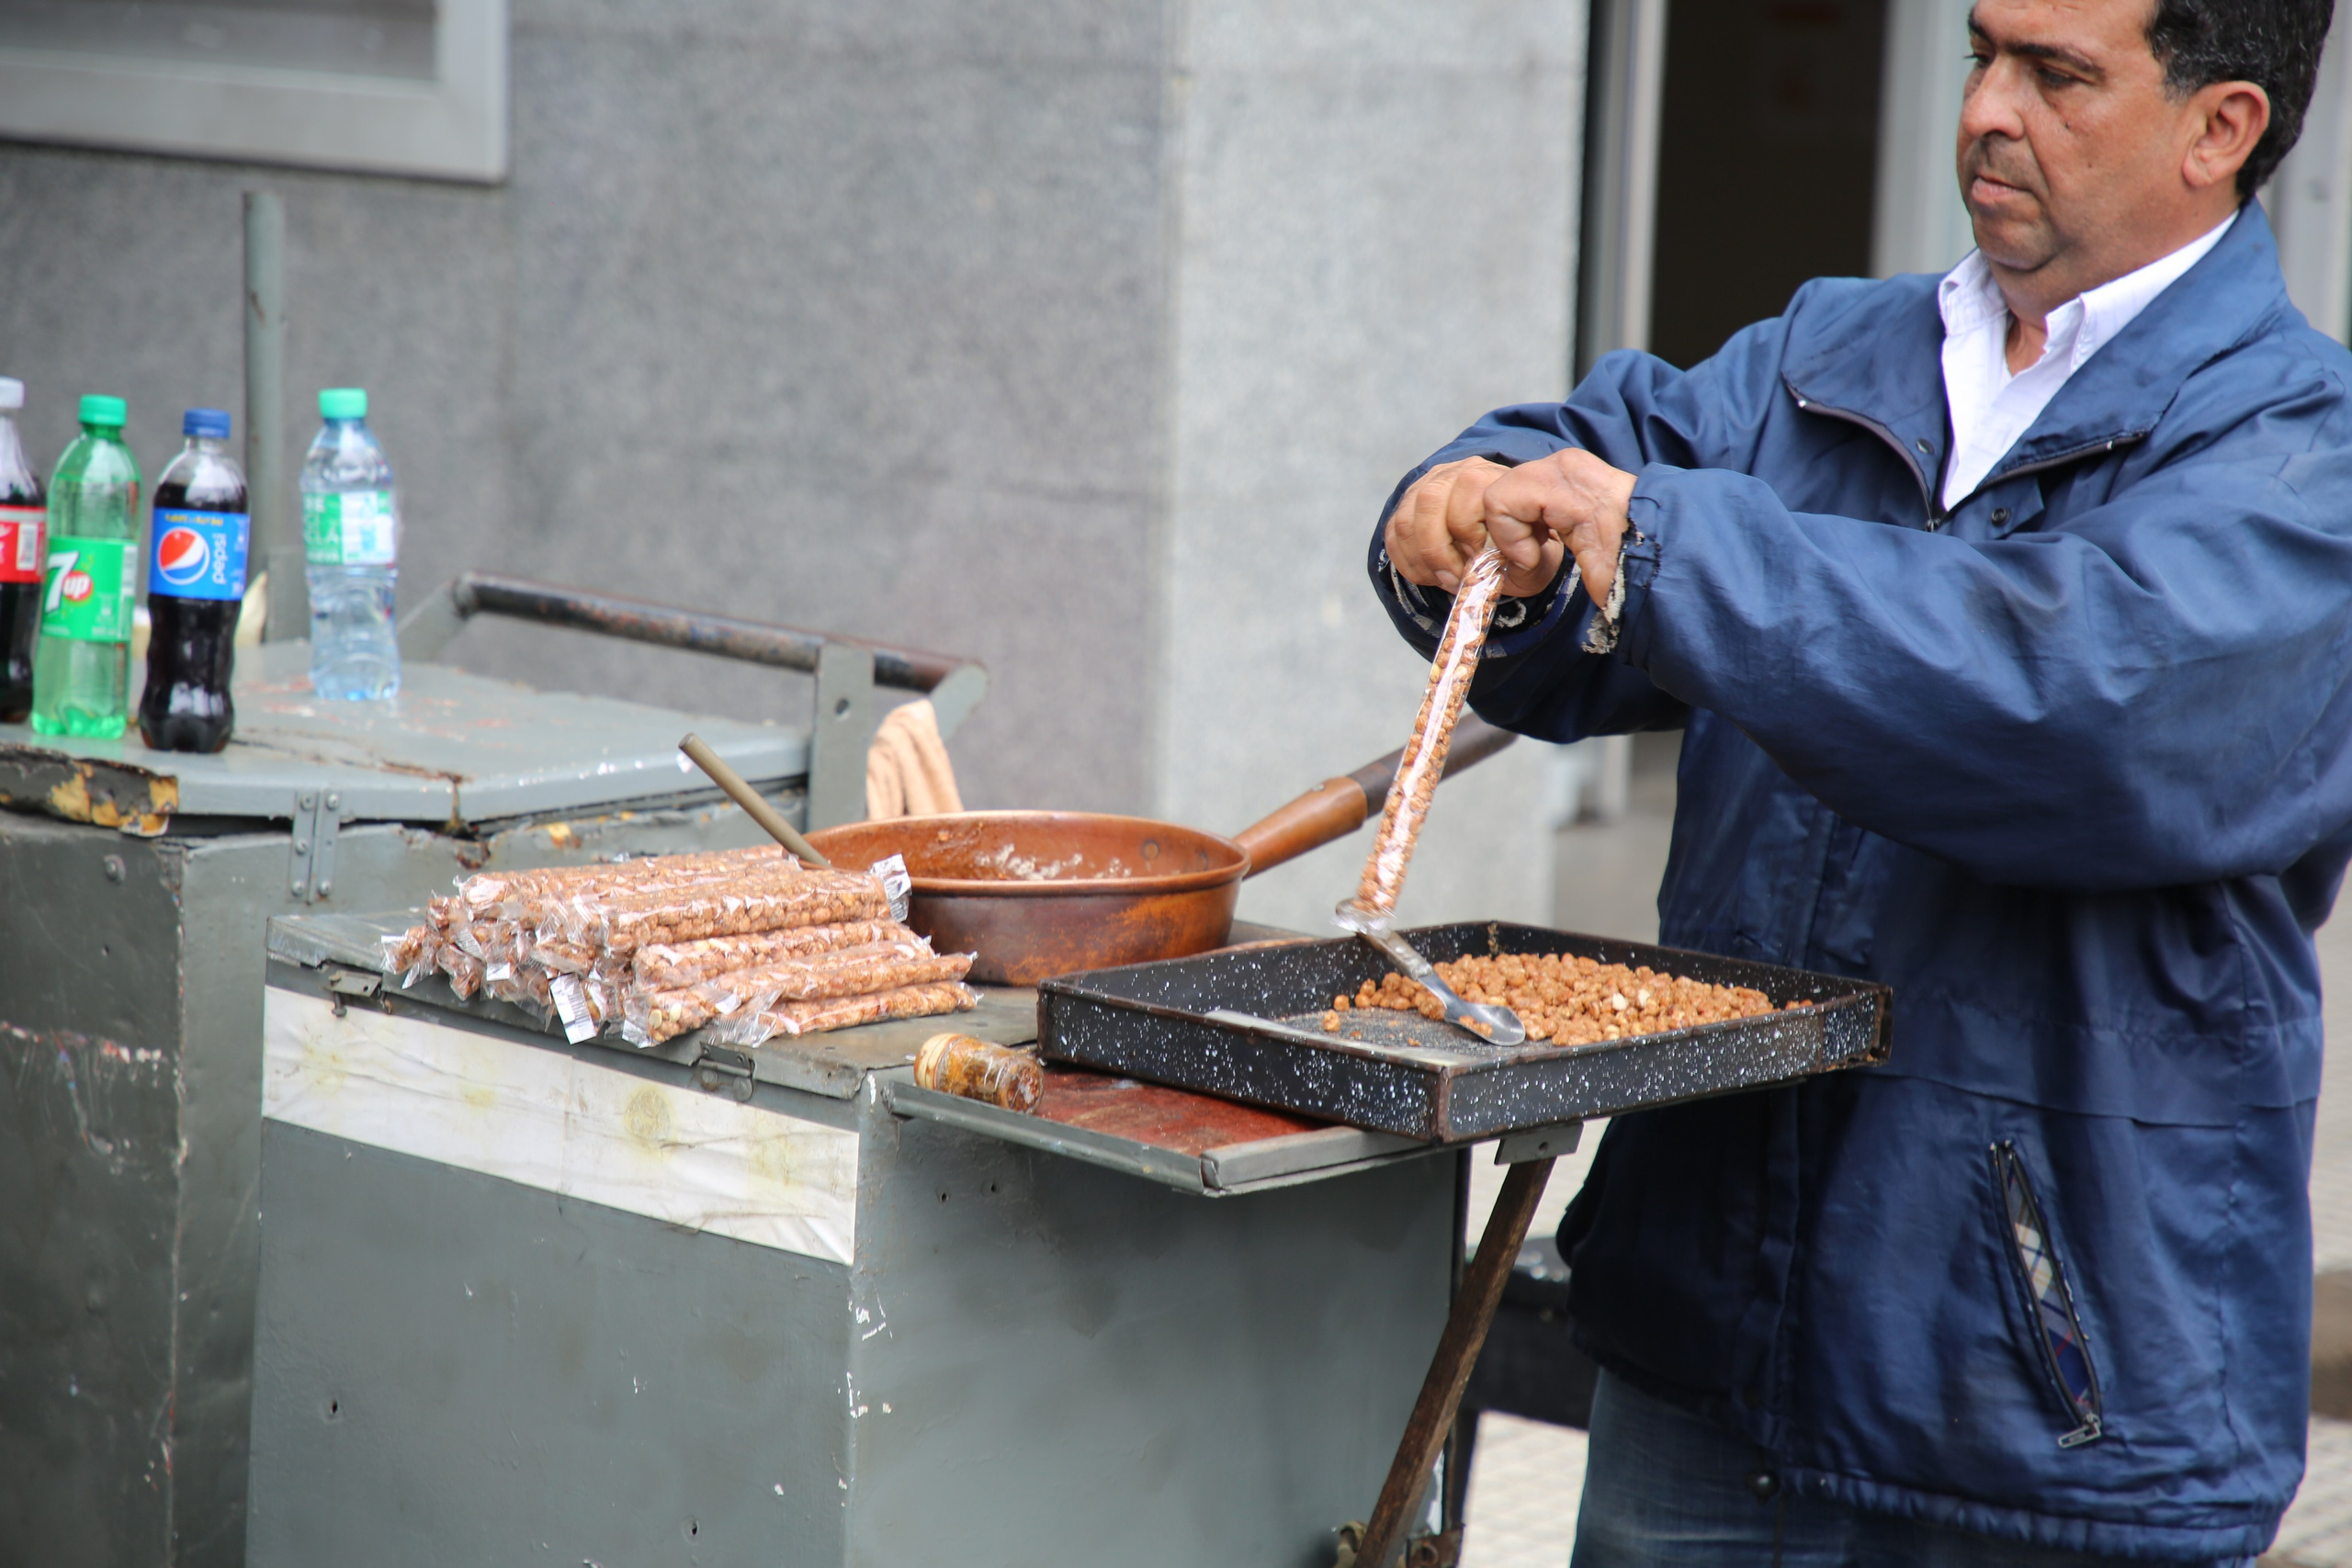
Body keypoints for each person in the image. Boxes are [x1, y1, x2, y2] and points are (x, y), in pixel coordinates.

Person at [1374, 0, 2352, 1560]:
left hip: (2043, 1402)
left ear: (2220, 127)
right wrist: (1470, 510)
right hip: (1704, 1345)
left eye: (2058, 74)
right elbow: (1594, 474)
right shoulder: (1826, 358)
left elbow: (2073, 710)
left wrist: (1669, 546)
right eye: (1982, 53)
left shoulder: (2307, 449)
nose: (1986, 109)